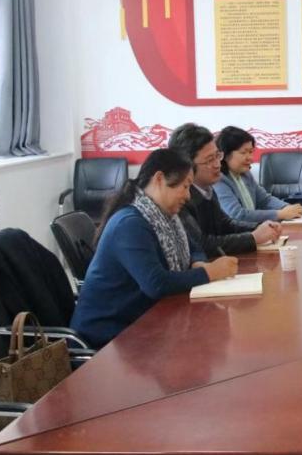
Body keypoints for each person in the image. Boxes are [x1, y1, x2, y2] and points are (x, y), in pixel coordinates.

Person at [71, 149, 238, 349]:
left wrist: (197, 262)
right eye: (184, 186)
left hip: (144, 322)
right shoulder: (130, 223)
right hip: (110, 337)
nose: (188, 195)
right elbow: (156, 284)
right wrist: (209, 272)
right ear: (159, 179)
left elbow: (194, 247)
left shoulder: (165, 217)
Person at [168, 123, 281, 258]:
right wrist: (253, 238)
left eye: (217, 156)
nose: (217, 164)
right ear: (187, 165)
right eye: (210, 160)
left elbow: (225, 224)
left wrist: (259, 227)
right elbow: (202, 244)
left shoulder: (207, 188)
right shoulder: (180, 198)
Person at [213, 125, 302, 224]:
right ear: (225, 154)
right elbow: (237, 215)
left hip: (253, 230)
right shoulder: (218, 180)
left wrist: (287, 207)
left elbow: (264, 200)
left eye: (250, 152)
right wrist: (280, 214)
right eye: (243, 153)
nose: (250, 158)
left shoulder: (246, 174)